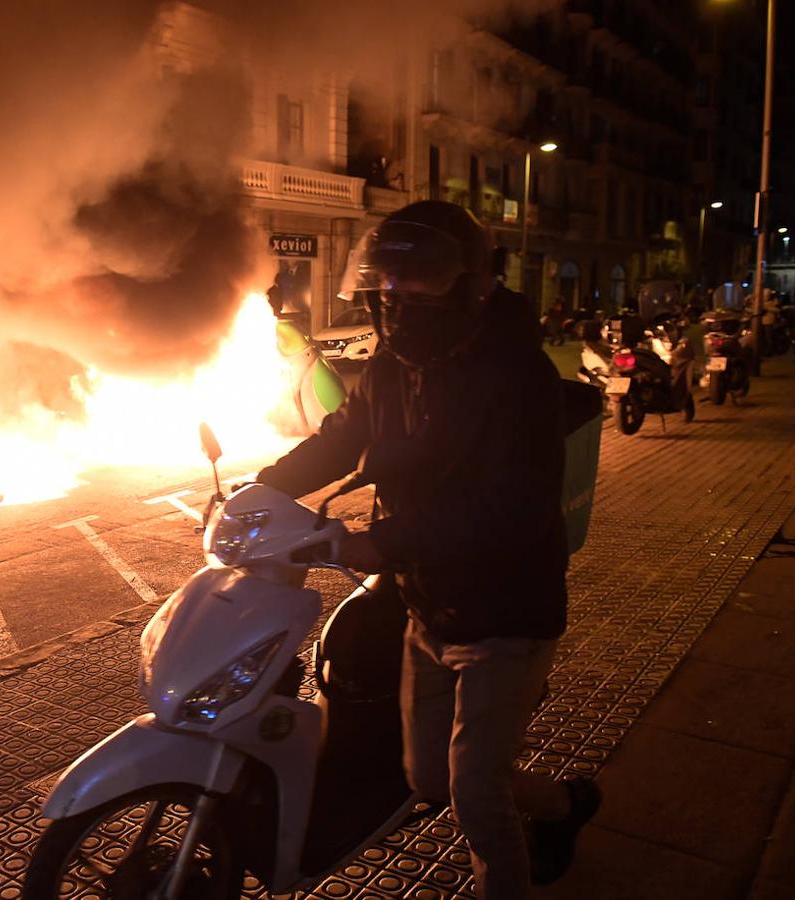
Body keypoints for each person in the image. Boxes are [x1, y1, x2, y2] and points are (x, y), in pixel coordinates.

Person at [256, 201, 600, 899]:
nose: (401, 304)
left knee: (475, 794)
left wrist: (382, 542)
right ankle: (565, 807)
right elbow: (340, 436)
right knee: (426, 778)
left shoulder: (517, 376)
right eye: (388, 287)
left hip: (508, 613)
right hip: (428, 606)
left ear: (471, 286)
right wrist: (262, 490)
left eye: (422, 287)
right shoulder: (391, 363)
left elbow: (507, 509)